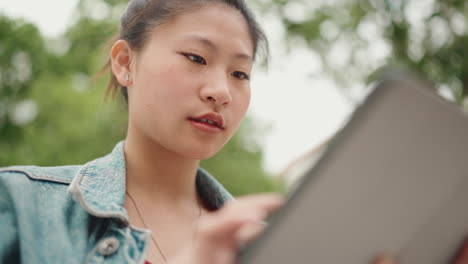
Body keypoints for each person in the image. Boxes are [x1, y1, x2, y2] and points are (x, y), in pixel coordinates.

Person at [0, 0, 466, 263]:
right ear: (126, 63)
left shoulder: (271, 247)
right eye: (196, 58)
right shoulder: (21, 204)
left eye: (241, 74)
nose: (221, 91)